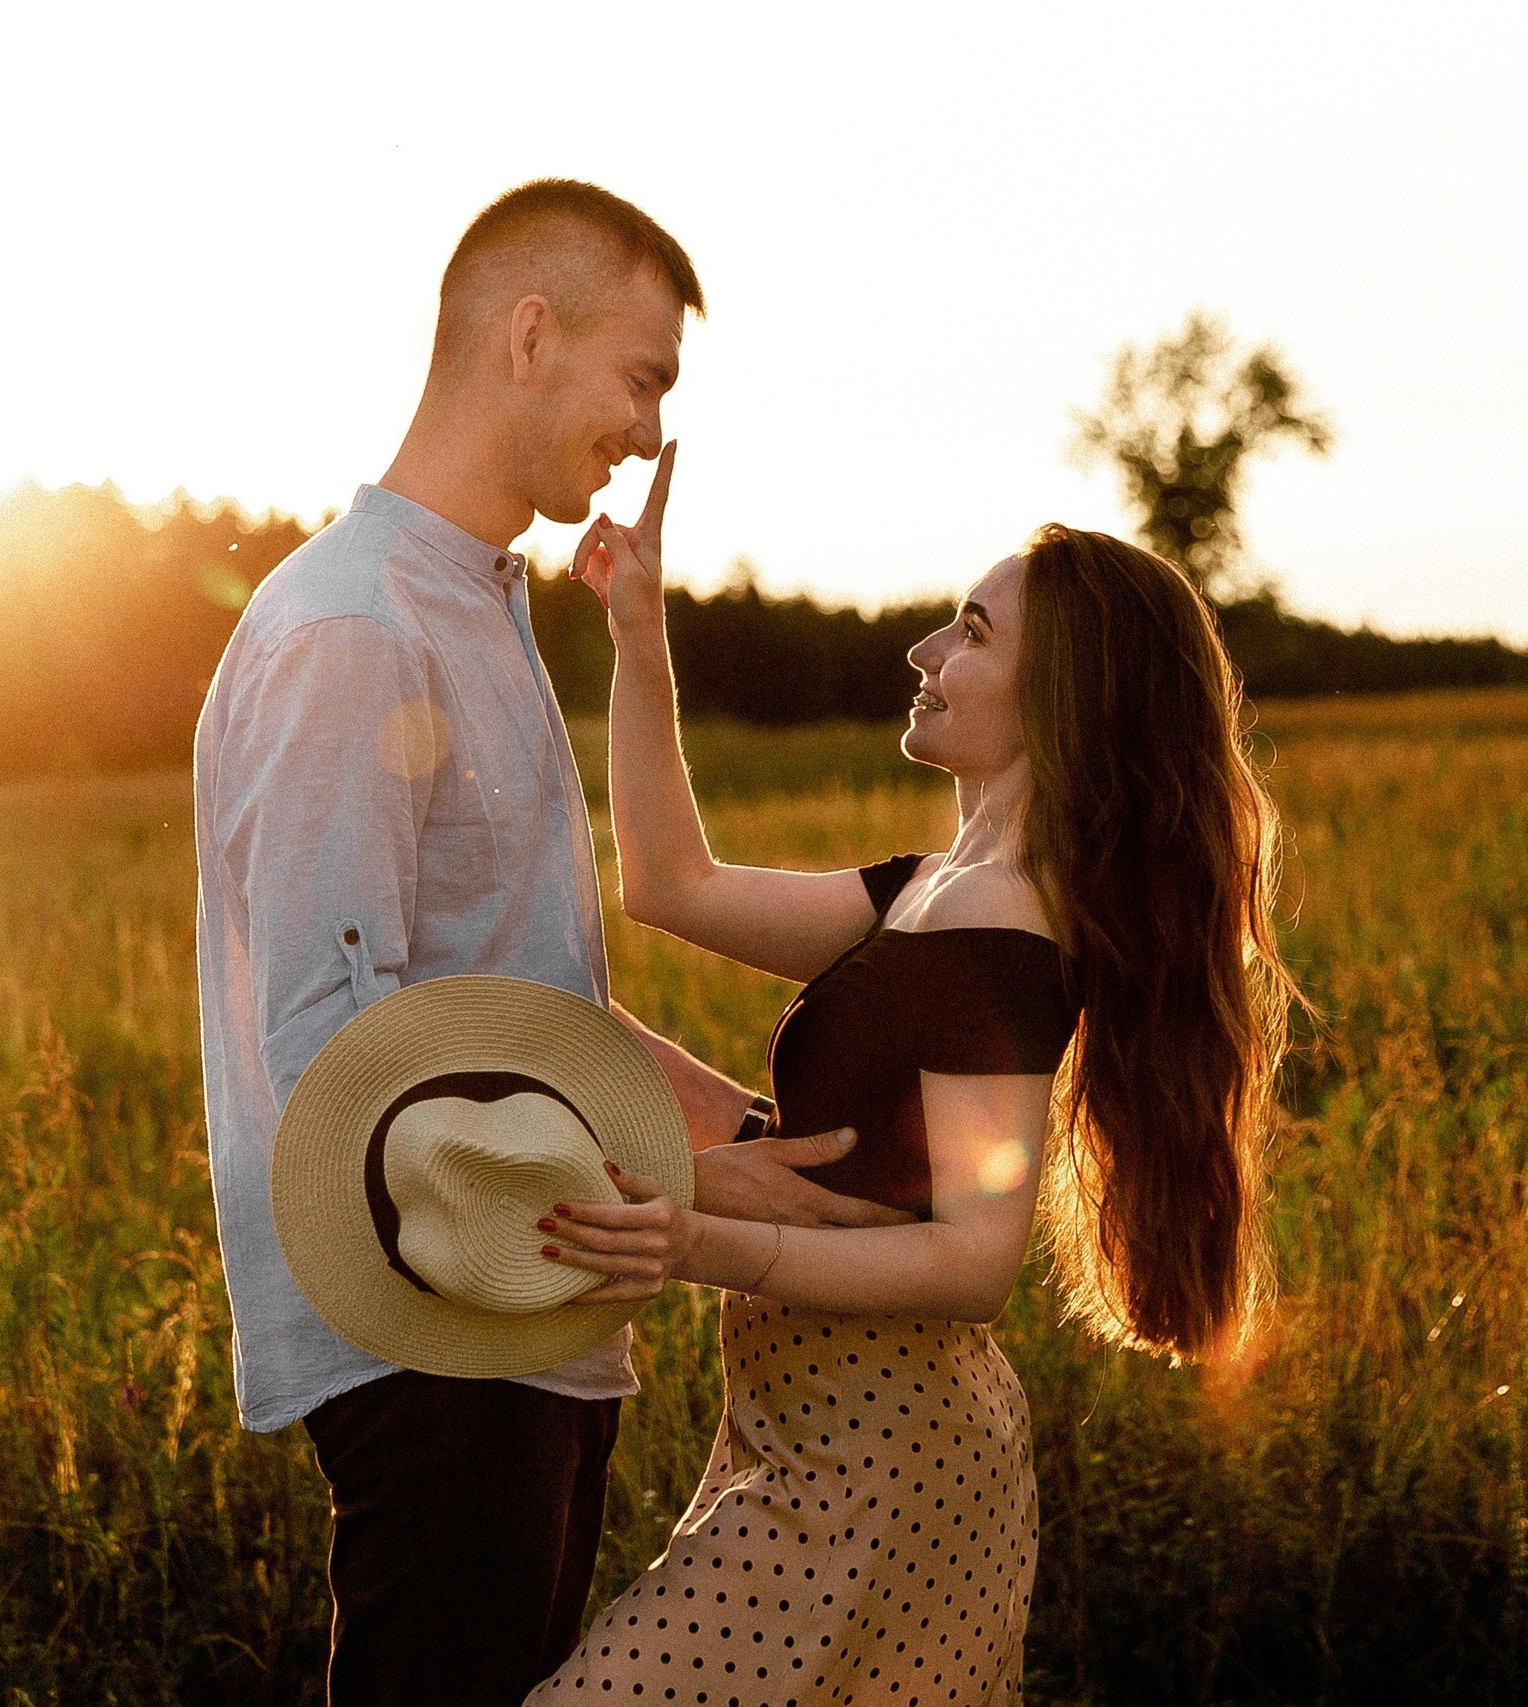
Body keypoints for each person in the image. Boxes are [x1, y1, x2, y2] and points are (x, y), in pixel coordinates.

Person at [192, 180, 904, 1707]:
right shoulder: (356, 626)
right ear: (529, 335)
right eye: (641, 378)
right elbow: (339, 1051)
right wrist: (692, 1176)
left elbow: (525, 1007)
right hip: (430, 1323)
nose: (650, 433)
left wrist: (768, 1138)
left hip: (535, 1311)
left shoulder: (479, 607)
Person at [530, 507, 1303, 1703]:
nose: (923, 654)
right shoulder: (930, 892)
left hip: (881, 1458)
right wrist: (639, 628)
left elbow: (972, 1263)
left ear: (1059, 700)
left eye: (971, 634)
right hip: (813, 1435)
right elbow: (670, 885)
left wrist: (695, 1242)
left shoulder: (1002, 923)